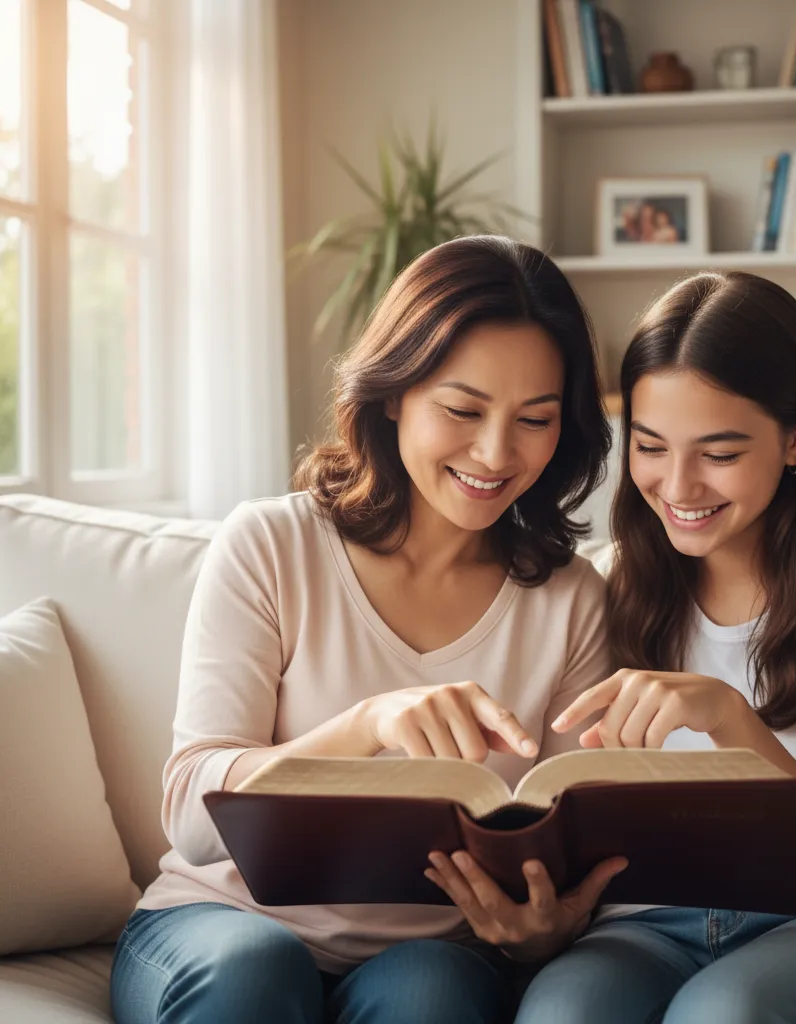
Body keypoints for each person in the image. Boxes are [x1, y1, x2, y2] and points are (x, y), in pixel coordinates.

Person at [109, 235, 626, 1024]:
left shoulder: (570, 598)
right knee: (254, 974)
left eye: (536, 419)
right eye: (462, 409)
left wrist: (537, 934)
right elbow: (190, 815)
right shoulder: (271, 546)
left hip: (432, 953)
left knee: (435, 997)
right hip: (221, 925)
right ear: (393, 395)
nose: (496, 452)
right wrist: (367, 725)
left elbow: (556, 851)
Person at [514, 271, 796, 1024]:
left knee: (723, 1014)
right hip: (644, 930)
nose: (678, 486)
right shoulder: (610, 585)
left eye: (719, 453)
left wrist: (734, 725)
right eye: (651, 446)